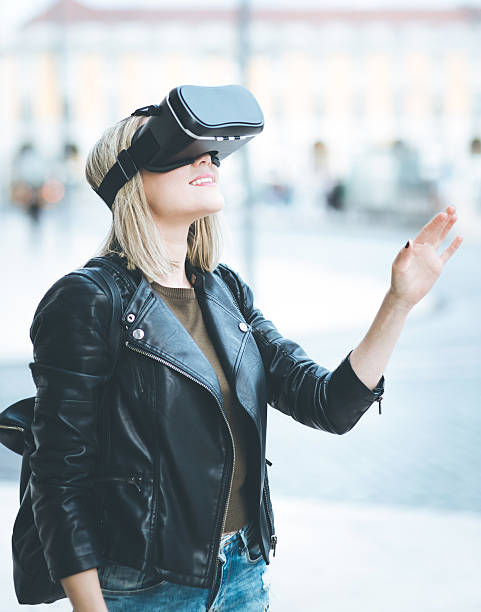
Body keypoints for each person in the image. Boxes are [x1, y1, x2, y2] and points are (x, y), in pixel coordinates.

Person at [27, 96, 463, 612]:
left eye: (211, 152)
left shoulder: (224, 292)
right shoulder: (89, 299)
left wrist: (398, 302)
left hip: (243, 576)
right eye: (182, 149)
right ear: (129, 179)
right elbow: (59, 480)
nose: (206, 159)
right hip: (143, 588)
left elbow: (330, 403)